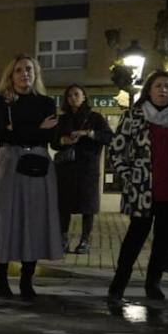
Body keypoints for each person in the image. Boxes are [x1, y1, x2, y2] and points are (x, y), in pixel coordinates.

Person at [0, 55, 62, 300]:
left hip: (38, 165)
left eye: (29, 69)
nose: (25, 74)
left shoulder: (45, 102)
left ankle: (26, 280)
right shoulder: (1, 102)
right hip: (8, 164)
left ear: (36, 73)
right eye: (19, 70)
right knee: (3, 221)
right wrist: (35, 129)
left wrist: (20, 131)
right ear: (10, 75)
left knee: (33, 221)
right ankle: (1, 280)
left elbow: (50, 134)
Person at [106, 70, 168, 304]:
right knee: (134, 238)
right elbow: (116, 150)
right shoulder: (135, 115)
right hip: (142, 191)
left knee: (163, 241)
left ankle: (153, 283)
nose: (163, 90)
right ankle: (118, 284)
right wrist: (129, 176)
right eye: (158, 86)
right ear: (149, 90)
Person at [53, 83, 112, 256]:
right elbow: (54, 142)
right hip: (66, 167)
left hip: (87, 167)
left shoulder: (95, 117)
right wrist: (63, 141)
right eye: (69, 95)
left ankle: (85, 240)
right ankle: (63, 239)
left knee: (88, 205)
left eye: (76, 94)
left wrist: (88, 133)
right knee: (63, 205)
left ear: (84, 96)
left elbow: (108, 137)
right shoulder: (62, 119)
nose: (73, 98)